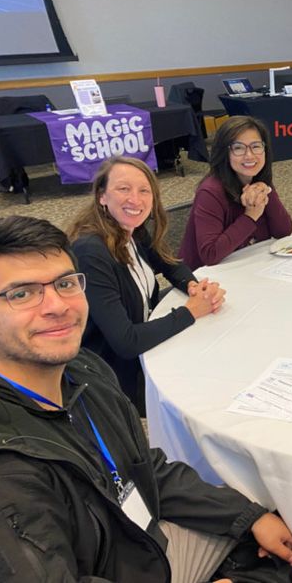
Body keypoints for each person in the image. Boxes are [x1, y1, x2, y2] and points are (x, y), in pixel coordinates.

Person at [0, 215, 292, 583]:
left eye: (65, 283)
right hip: (121, 567)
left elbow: (144, 468)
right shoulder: (11, 470)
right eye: (22, 293)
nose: (57, 305)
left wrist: (247, 516)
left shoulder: (83, 370)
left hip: (142, 540)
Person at [69, 157, 226, 415]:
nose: (135, 199)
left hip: (144, 338)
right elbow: (126, 342)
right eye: (123, 188)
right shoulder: (91, 252)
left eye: (144, 190)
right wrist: (192, 311)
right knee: (212, 380)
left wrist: (194, 287)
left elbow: (170, 264)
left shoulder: (130, 229)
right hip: (117, 374)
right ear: (102, 196)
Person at [180, 115, 292, 270]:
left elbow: (283, 231)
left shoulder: (258, 180)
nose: (250, 155)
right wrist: (251, 216)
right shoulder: (210, 192)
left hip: (248, 266)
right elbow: (210, 254)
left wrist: (266, 191)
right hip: (205, 279)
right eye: (238, 148)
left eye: (256, 146)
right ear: (225, 153)